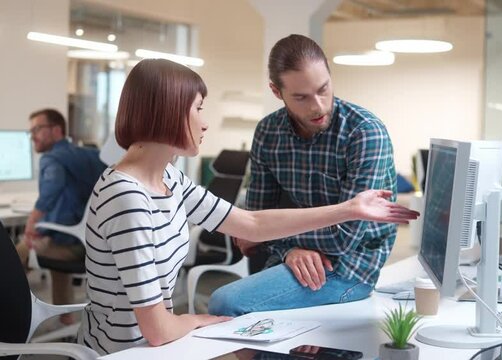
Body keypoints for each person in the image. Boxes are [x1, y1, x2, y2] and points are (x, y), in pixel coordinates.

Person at [77, 58, 417, 355]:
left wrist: (350, 209)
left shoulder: (167, 178)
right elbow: (158, 330)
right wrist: (198, 319)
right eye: (198, 109)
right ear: (166, 112)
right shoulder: (128, 199)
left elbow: (251, 223)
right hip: (127, 352)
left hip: (159, 344)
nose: (205, 122)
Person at [208, 34, 398, 317]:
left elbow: (345, 238)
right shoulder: (268, 132)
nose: (318, 106)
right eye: (301, 97)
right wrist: (289, 249)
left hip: (351, 266)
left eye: (323, 89)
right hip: (290, 258)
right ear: (276, 91)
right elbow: (256, 221)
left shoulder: (364, 132)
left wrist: (281, 239)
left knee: (226, 303)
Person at [15, 108, 106, 325]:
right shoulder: (91, 155)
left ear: (56, 130)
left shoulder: (52, 157)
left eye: (37, 129)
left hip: (72, 247)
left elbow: (50, 191)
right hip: (94, 246)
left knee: (16, 254)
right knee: (55, 241)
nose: (32, 136)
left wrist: (31, 222)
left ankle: (9, 323)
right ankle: (66, 319)